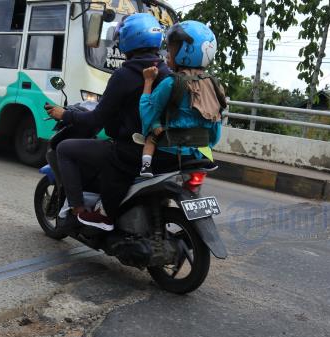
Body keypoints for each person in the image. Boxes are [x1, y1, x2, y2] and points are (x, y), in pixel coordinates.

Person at [44, 13, 169, 231]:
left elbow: (95, 120)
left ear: (128, 40)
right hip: (159, 150)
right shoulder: (167, 72)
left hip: (128, 150)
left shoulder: (125, 74)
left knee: (64, 149)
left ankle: (78, 211)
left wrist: (64, 115)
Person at [139, 21, 225, 179]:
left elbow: (147, 116)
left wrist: (148, 82)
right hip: (199, 157)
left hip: (169, 155)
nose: (167, 53)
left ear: (186, 51)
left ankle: (146, 167)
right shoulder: (214, 84)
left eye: (171, 48)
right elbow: (216, 129)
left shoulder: (171, 82)